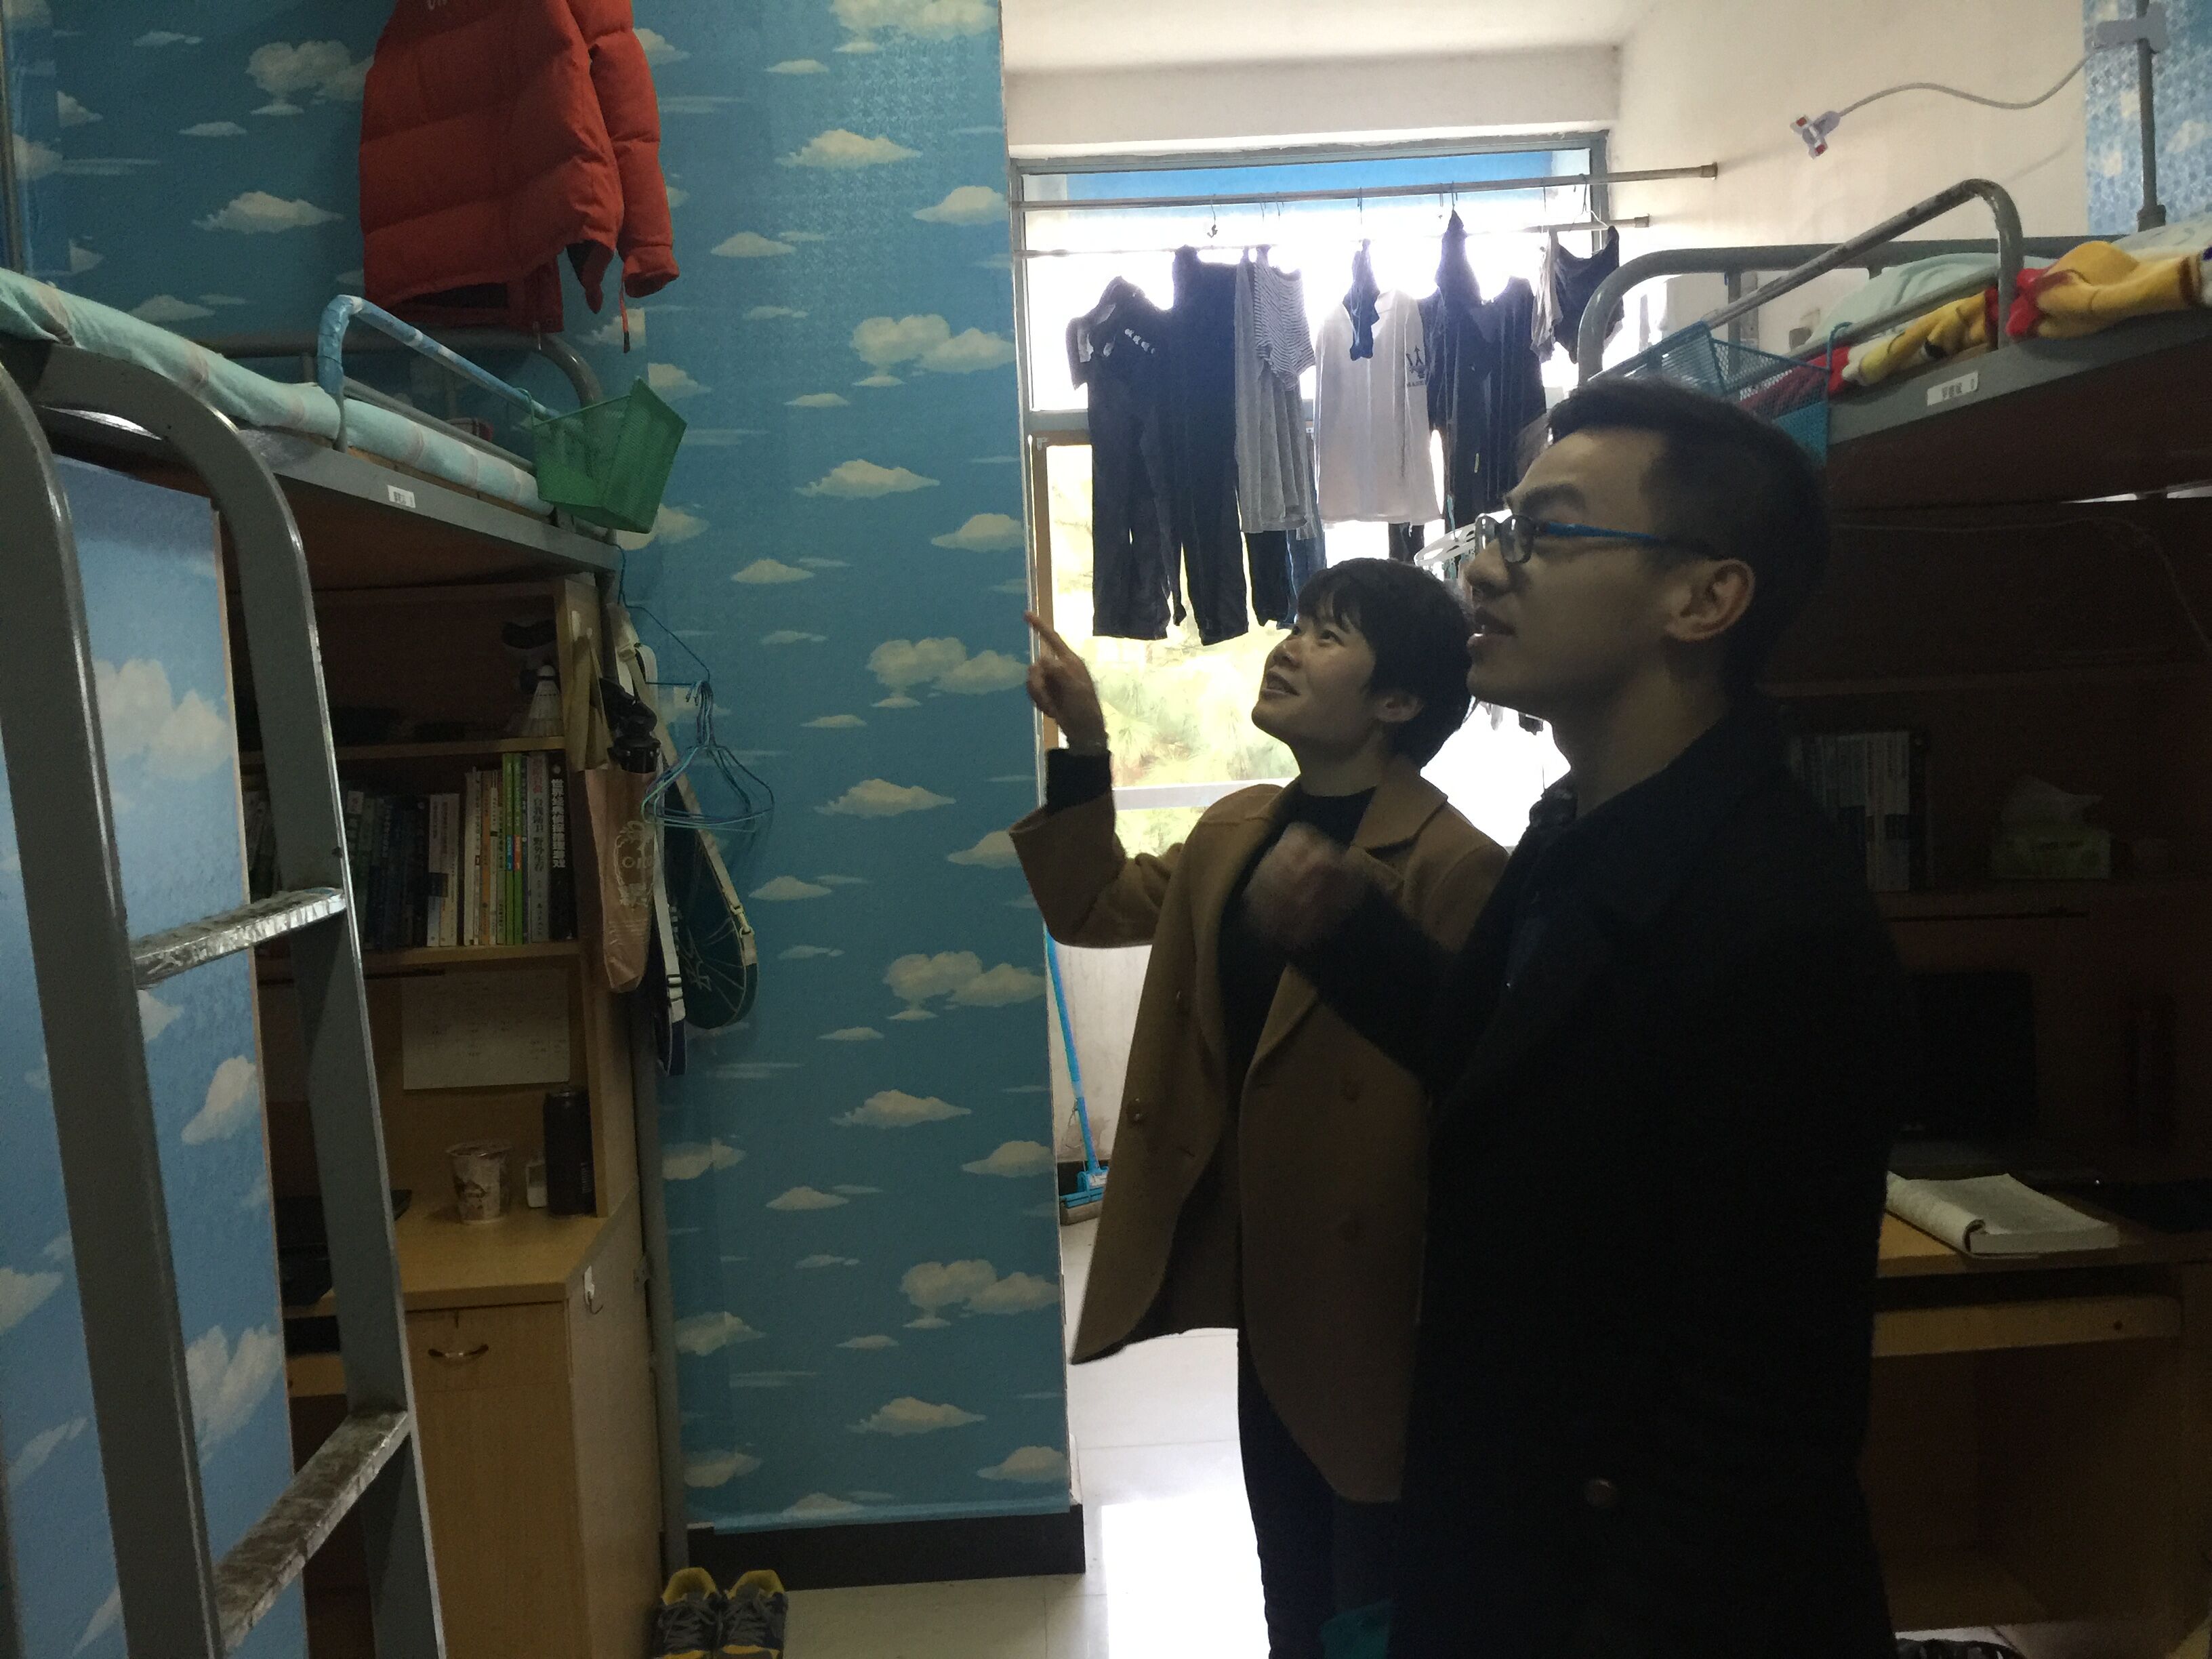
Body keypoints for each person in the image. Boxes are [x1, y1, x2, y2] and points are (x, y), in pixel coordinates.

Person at [1246, 377, 1908, 1659]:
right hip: (1513, 1537)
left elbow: (1761, 1412)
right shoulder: (1581, 829)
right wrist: (1351, 938)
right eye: (1503, 528)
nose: (1487, 570)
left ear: (1703, 600)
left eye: (1546, 533)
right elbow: (1508, 1073)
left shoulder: (1777, 923)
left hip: (1641, 1599)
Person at [1010, 560, 1506, 1659]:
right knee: (1290, 1572)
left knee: (1373, 1583)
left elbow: (1482, 1096)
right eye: (1298, 623)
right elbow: (1091, 905)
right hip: (1268, 1275)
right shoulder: (1237, 831)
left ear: (1397, 701)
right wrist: (1084, 741)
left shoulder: (1456, 864)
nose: (1288, 647)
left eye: (1328, 636)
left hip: (1381, 1293)